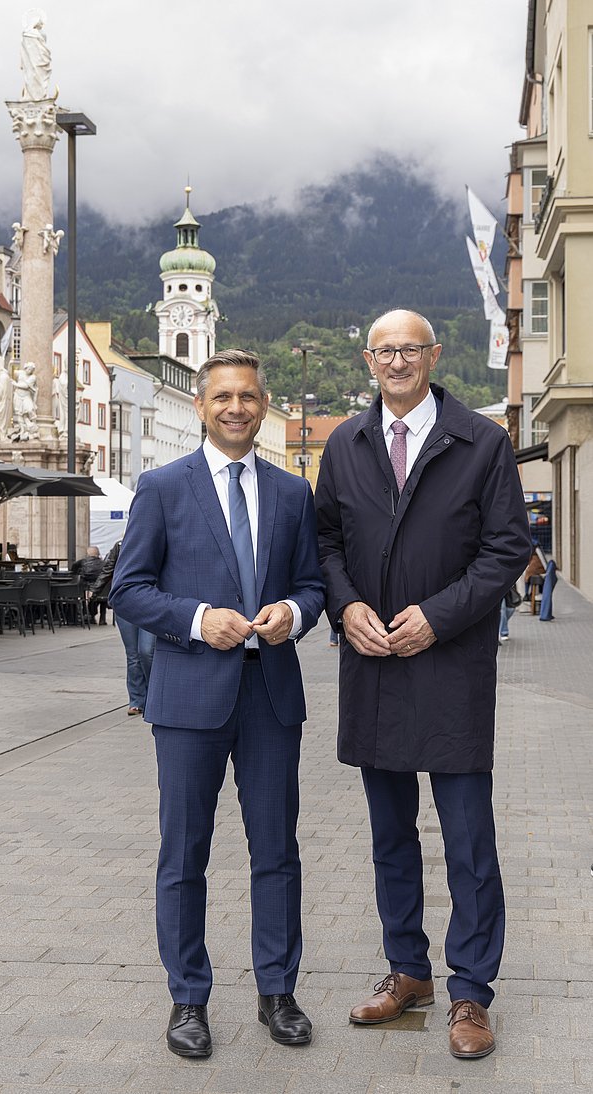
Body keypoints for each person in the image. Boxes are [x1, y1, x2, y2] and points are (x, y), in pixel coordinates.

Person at [315, 310, 530, 1060]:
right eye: (385, 350)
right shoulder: (345, 443)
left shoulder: (483, 442)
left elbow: (509, 547)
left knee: (470, 839)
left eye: (411, 349)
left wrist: (437, 618)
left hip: (450, 664)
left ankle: (470, 989)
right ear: (368, 359)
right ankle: (408, 970)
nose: (398, 360)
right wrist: (347, 608)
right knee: (389, 836)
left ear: (434, 356)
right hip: (373, 662)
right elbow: (327, 541)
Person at [110, 350, 325, 1059]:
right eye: (224, 396)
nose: (237, 407)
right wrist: (199, 618)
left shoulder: (293, 494)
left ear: (264, 406)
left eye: (249, 396)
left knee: (277, 851)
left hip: (269, 694)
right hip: (190, 692)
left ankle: (278, 991)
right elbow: (130, 588)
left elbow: (312, 585)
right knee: (184, 854)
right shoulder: (163, 486)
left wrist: (294, 612)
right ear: (203, 407)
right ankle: (188, 999)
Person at [97, 539, 154, 710]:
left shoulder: (155, 539)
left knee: (147, 651)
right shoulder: (120, 545)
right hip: (126, 603)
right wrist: (94, 589)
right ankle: (137, 700)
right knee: (133, 655)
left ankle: (155, 694)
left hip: (150, 603)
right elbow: (108, 568)